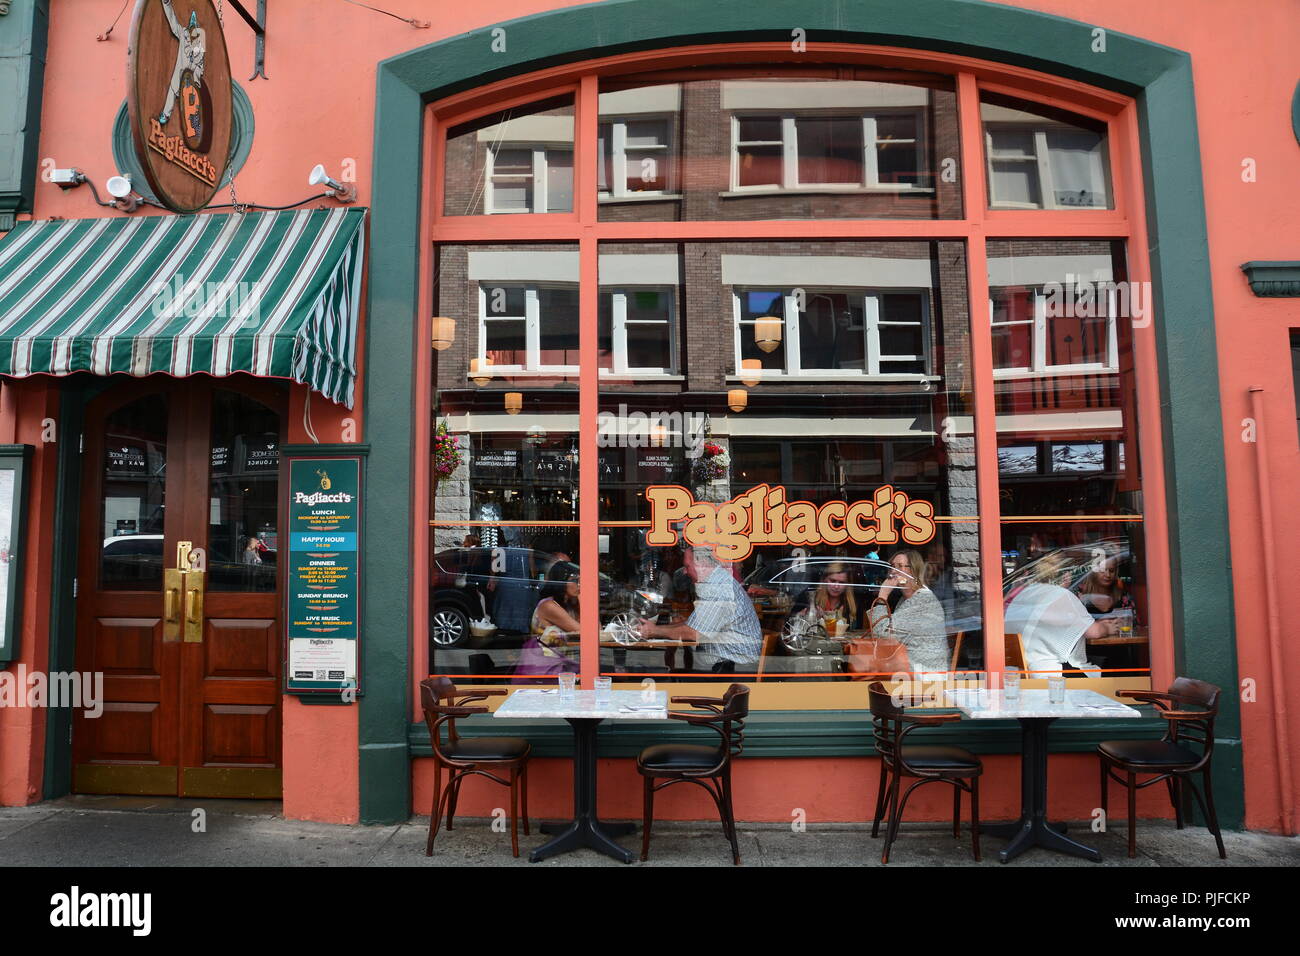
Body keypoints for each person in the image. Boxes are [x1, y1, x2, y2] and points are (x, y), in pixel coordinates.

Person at [635, 544, 762, 673]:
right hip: (728, 664)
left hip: (734, 670)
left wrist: (654, 631)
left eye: (687, 566)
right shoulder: (716, 582)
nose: (684, 571)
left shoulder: (717, 587)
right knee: (671, 674)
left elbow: (694, 633)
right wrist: (655, 628)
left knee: (666, 676)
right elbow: (694, 625)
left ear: (703, 563)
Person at [1004, 551, 1118, 674]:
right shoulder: (1061, 595)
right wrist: (1109, 627)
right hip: (1048, 673)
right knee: (1116, 669)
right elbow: (1094, 632)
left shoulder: (1026, 593)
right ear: (1064, 575)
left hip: (1023, 668)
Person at [867, 550, 948, 672]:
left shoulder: (922, 602)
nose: (893, 571)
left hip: (923, 675)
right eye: (892, 567)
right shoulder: (907, 598)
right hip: (909, 668)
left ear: (913, 571)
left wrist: (883, 595)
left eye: (900, 566)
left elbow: (882, 634)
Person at [514, 561, 580, 677]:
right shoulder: (549, 606)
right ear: (561, 581)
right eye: (575, 580)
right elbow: (585, 633)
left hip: (564, 667)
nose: (579, 585)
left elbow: (597, 631)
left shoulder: (569, 605)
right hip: (545, 670)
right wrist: (586, 600)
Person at [793, 561, 863, 635]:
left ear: (847, 584)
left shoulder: (855, 603)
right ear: (824, 579)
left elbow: (858, 632)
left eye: (842, 582)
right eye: (832, 581)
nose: (836, 586)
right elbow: (790, 625)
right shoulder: (808, 597)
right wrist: (800, 617)